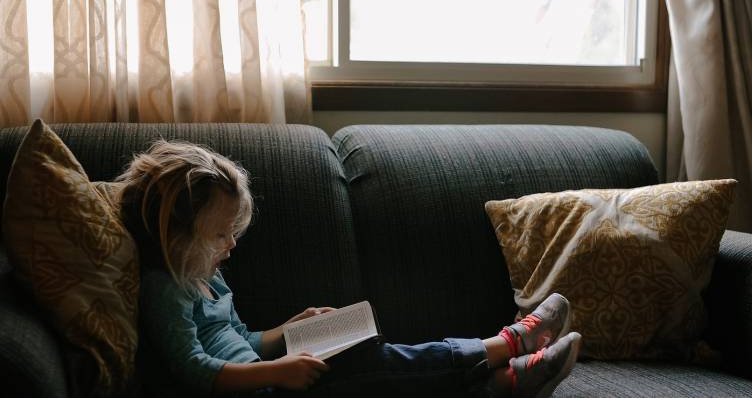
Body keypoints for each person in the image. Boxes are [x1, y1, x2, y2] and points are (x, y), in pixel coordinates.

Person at [116, 139, 583, 398]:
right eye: (219, 234)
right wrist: (277, 372)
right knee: (367, 365)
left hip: (265, 373)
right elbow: (195, 369)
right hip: (259, 389)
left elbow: (240, 339)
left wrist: (287, 330)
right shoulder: (165, 289)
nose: (232, 244)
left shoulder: (206, 274)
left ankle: (503, 382)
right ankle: (507, 345)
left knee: (365, 347)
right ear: (176, 235)